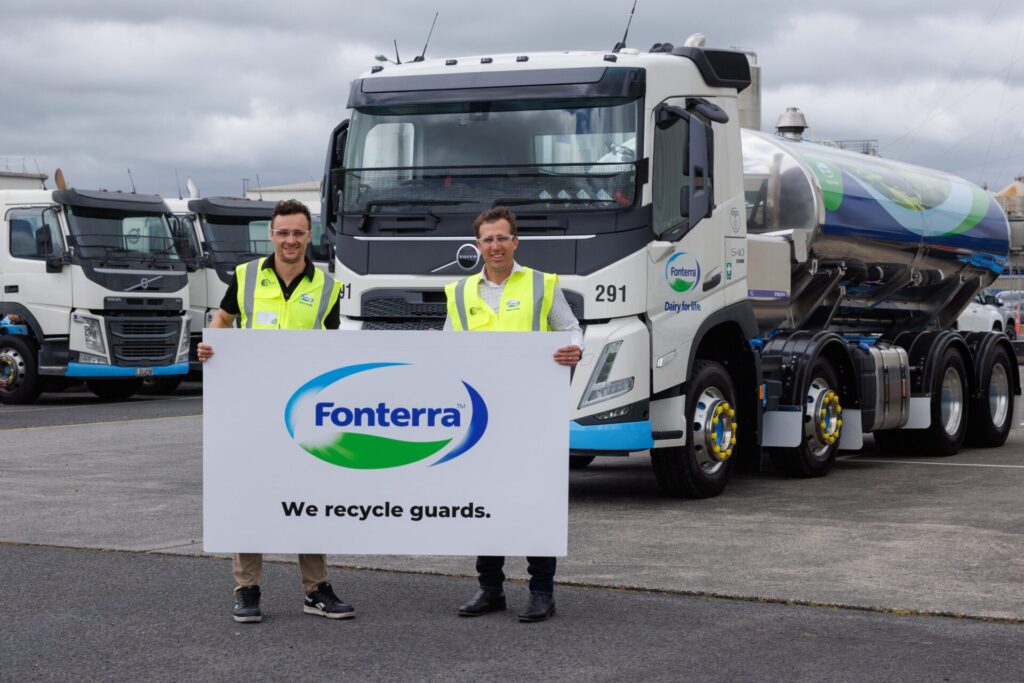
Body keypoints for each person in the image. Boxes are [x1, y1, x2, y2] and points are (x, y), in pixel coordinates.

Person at [197, 199, 351, 624]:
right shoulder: (246, 277)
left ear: (309, 235)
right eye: (283, 232)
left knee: (308, 495)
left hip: (305, 412)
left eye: (299, 232)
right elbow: (223, 321)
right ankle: (246, 589)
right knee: (250, 494)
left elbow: (338, 345)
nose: (291, 239)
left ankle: (315, 589)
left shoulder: (327, 286)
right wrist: (211, 346)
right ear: (272, 234)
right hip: (252, 408)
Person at [444, 206, 582, 623]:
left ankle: (542, 591)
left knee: (536, 500)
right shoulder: (461, 291)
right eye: (487, 239)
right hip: (483, 415)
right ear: (478, 245)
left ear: (515, 242)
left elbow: (571, 329)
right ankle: (490, 588)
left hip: (533, 412)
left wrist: (573, 349)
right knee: (486, 501)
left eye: (502, 238)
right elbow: (453, 344)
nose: (495, 246)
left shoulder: (542, 283)